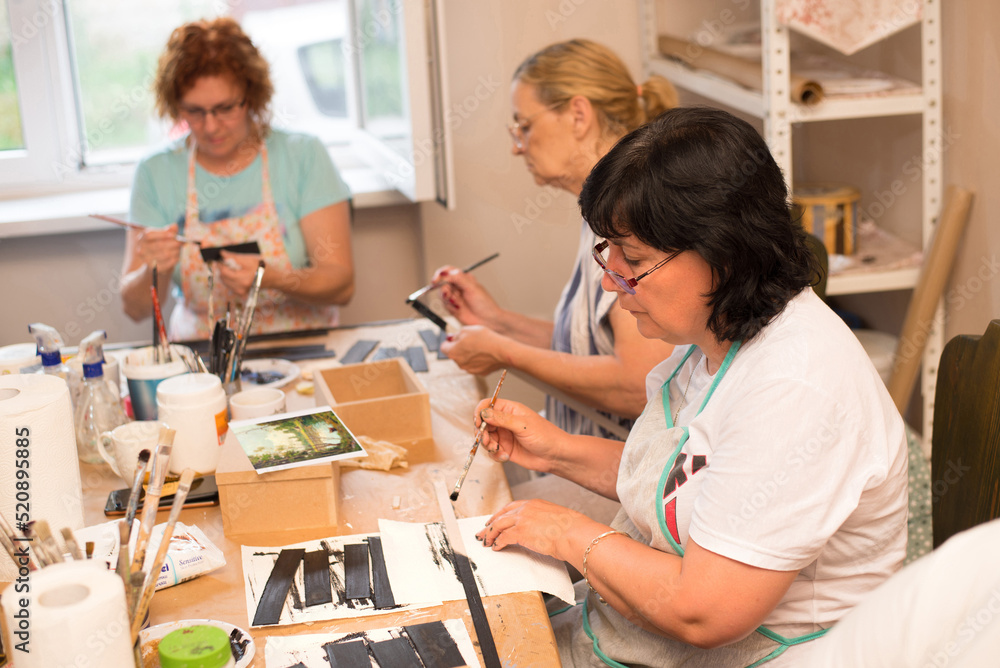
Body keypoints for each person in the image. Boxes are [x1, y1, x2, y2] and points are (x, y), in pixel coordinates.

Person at [473, 107, 909, 666]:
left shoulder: (796, 388)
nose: (613, 283)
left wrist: (565, 532)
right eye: (609, 254)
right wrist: (556, 450)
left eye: (633, 260)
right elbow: (687, 481)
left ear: (722, 252)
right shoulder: (716, 334)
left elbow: (704, 611)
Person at [434, 39, 677, 439]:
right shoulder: (600, 211)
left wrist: (502, 352)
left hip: (621, 480)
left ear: (579, 115)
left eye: (525, 127)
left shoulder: (632, 218)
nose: (517, 147)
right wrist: (497, 324)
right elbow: (590, 348)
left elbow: (637, 383)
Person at [121, 17, 354, 340]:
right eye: (195, 111)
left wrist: (270, 278)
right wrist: (153, 268)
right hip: (202, 359)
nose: (211, 126)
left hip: (303, 348)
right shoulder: (155, 172)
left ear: (251, 95)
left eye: (225, 108)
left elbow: (341, 285)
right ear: (176, 105)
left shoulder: (303, 155)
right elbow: (135, 310)